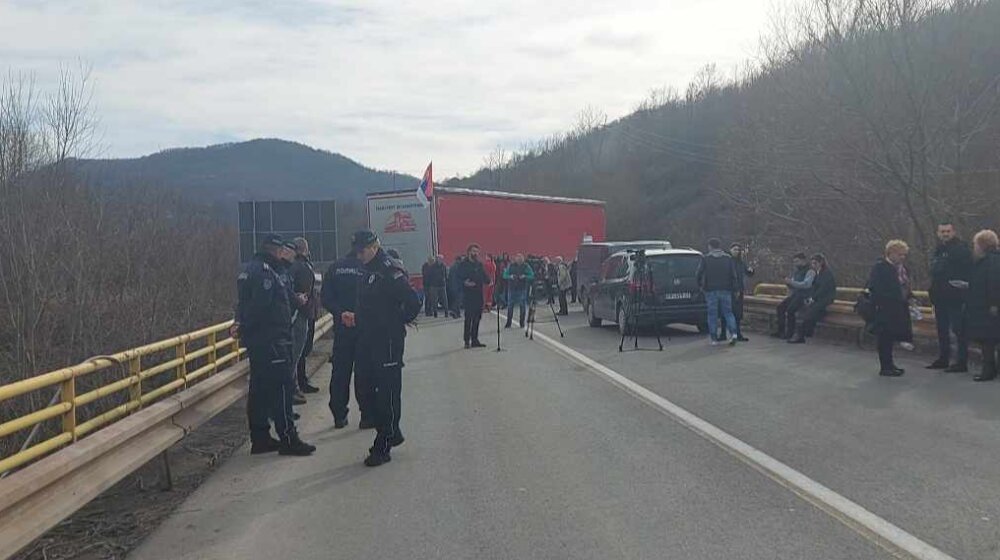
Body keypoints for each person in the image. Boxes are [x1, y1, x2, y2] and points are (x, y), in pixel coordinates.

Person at [233, 234, 315, 456]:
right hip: (272, 340)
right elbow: (260, 307)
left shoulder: (249, 269)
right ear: (276, 250)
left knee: (259, 390)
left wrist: (240, 325)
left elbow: (243, 305)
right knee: (281, 389)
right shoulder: (266, 274)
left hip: (259, 341)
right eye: (282, 251)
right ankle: (289, 438)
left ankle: (260, 438)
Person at [353, 230, 421, 467]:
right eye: (357, 251)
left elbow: (413, 301)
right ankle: (392, 430)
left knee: (387, 392)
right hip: (368, 337)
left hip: (387, 340)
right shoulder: (367, 270)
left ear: (373, 247)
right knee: (364, 386)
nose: (358, 255)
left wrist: (396, 321)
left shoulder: (389, 271)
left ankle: (384, 442)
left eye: (362, 250)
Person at [321, 241, 374, 429]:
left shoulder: (335, 267)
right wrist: (358, 315)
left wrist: (340, 312)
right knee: (364, 372)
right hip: (363, 327)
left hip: (342, 328)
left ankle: (339, 415)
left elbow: (325, 297)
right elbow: (375, 298)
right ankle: (367, 415)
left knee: (340, 373)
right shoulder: (368, 268)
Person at [926, 222, 972, 373]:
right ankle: (943, 358)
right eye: (942, 231)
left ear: (954, 232)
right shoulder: (939, 249)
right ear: (938, 233)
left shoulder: (961, 249)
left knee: (959, 330)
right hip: (940, 296)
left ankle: (961, 361)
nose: (945, 234)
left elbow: (965, 272)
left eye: (948, 231)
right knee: (942, 329)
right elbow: (934, 271)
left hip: (955, 297)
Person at [867, 240, 914, 376]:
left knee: (890, 338)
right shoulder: (881, 267)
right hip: (884, 308)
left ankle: (890, 364)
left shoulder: (901, 269)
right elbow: (876, 288)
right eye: (900, 255)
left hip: (898, 307)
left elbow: (904, 286)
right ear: (891, 253)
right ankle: (885, 366)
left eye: (904, 255)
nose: (902, 258)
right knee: (884, 338)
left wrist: (910, 297)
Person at [964, 230, 1000, 382]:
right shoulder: (990, 260)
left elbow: (994, 283)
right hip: (986, 305)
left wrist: (994, 304)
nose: (974, 247)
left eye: (976, 244)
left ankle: (988, 371)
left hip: (988, 307)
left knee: (988, 341)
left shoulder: (991, 261)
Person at [278, 241, 308, 405]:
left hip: (286, 321)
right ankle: (287, 398)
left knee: (291, 358)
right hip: (289, 320)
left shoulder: (285, 270)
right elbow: (286, 294)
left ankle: (289, 396)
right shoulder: (283, 271)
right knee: (291, 358)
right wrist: (298, 300)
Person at [289, 237, 320, 394]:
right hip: (302, 313)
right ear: (304, 249)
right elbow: (305, 291)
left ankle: (300, 381)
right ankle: (296, 385)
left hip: (304, 312)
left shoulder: (296, 266)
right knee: (299, 351)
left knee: (301, 352)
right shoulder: (301, 266)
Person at [697, 238, 739, 346]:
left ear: (710, 246)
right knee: (728, 313)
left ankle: (714, 338)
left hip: (711, 290)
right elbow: (733, 275)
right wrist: (735, 289)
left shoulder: (706, 258)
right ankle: (734, 333)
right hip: (726, 289)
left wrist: (700, 285)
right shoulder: (728, 258)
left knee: (712, 315)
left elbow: (699, 273)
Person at [787, 254, 837, 344]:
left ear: (821, 263)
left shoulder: (826, 274)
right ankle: (803, 333)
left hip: (824, 299)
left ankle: (801, 335)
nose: (813, 265)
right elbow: (814, 287)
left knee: (809, 314)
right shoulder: (818, 273)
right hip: (817, 298)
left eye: (815, 263)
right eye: (812, 263)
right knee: (805, 311)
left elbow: (823, 289)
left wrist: (813, 298)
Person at [771, 253, 814, 339]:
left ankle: (789, 333)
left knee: (791, 310)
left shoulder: (810, 271)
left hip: (804, 296)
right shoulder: (797, 271)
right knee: (780, 307)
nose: (795, 264)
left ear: (803, 260)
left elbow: (806, 284)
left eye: (797, 261)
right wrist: (788, 283)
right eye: (794, 262)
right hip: (795, 294)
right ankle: (781, 331)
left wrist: (792, 282)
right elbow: (794, 284)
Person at [456, 243, 490, 348]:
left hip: (478, 295)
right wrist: (464, 283)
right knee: (468, 319)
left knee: (477, 318)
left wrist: (488, 280)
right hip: (468, 295)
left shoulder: (479, 265)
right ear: (469, 252)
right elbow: (457, 278)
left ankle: (475, 340)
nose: (475, 253)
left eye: (477, 251)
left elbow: (485, 277)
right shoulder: (463, 264)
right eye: (473, 251)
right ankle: (467, 340)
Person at [503, 253, 535, 328]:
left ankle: (522, 322)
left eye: (521, 259)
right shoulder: (510, 266)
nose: (519, 260)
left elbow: (532, 275)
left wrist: (525, 276)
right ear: (515, 259)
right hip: (511, 289)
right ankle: (508, 322)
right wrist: (510, 276)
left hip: (522, 289)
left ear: (523, 260)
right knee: (510, 306)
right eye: (518, 259)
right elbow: (504, 275)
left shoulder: (526, 266)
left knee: (522, 306)